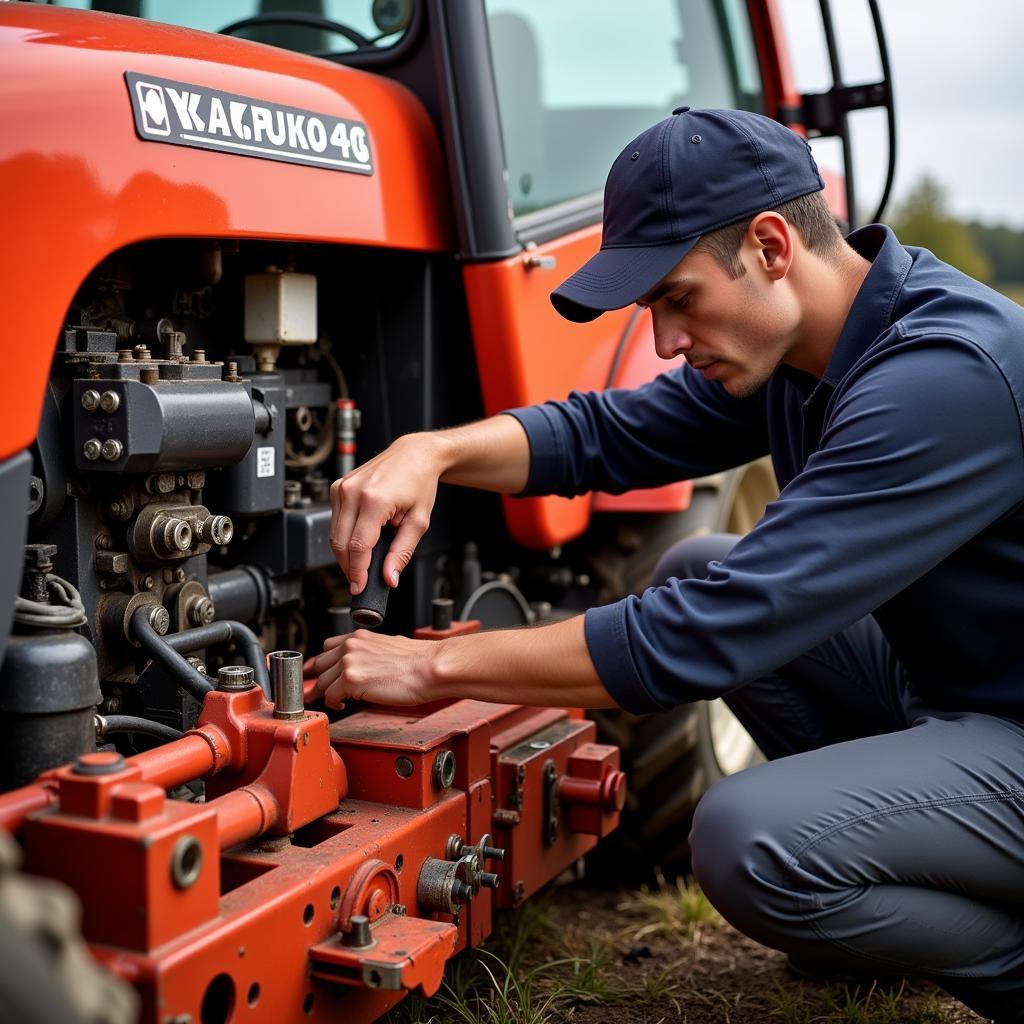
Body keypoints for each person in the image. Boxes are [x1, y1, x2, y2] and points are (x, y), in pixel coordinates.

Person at [310, 107, 1024, 1022]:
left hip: (1008, 728)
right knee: (692, 560)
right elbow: (606, 435)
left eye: (678, 298)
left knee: (743, 838)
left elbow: (709, 634)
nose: (663, 342)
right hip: (957, 701)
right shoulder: (810, 344)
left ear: (771, 246)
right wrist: (434, 451)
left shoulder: (940, 377)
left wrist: (433, 667)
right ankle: (884, 885)